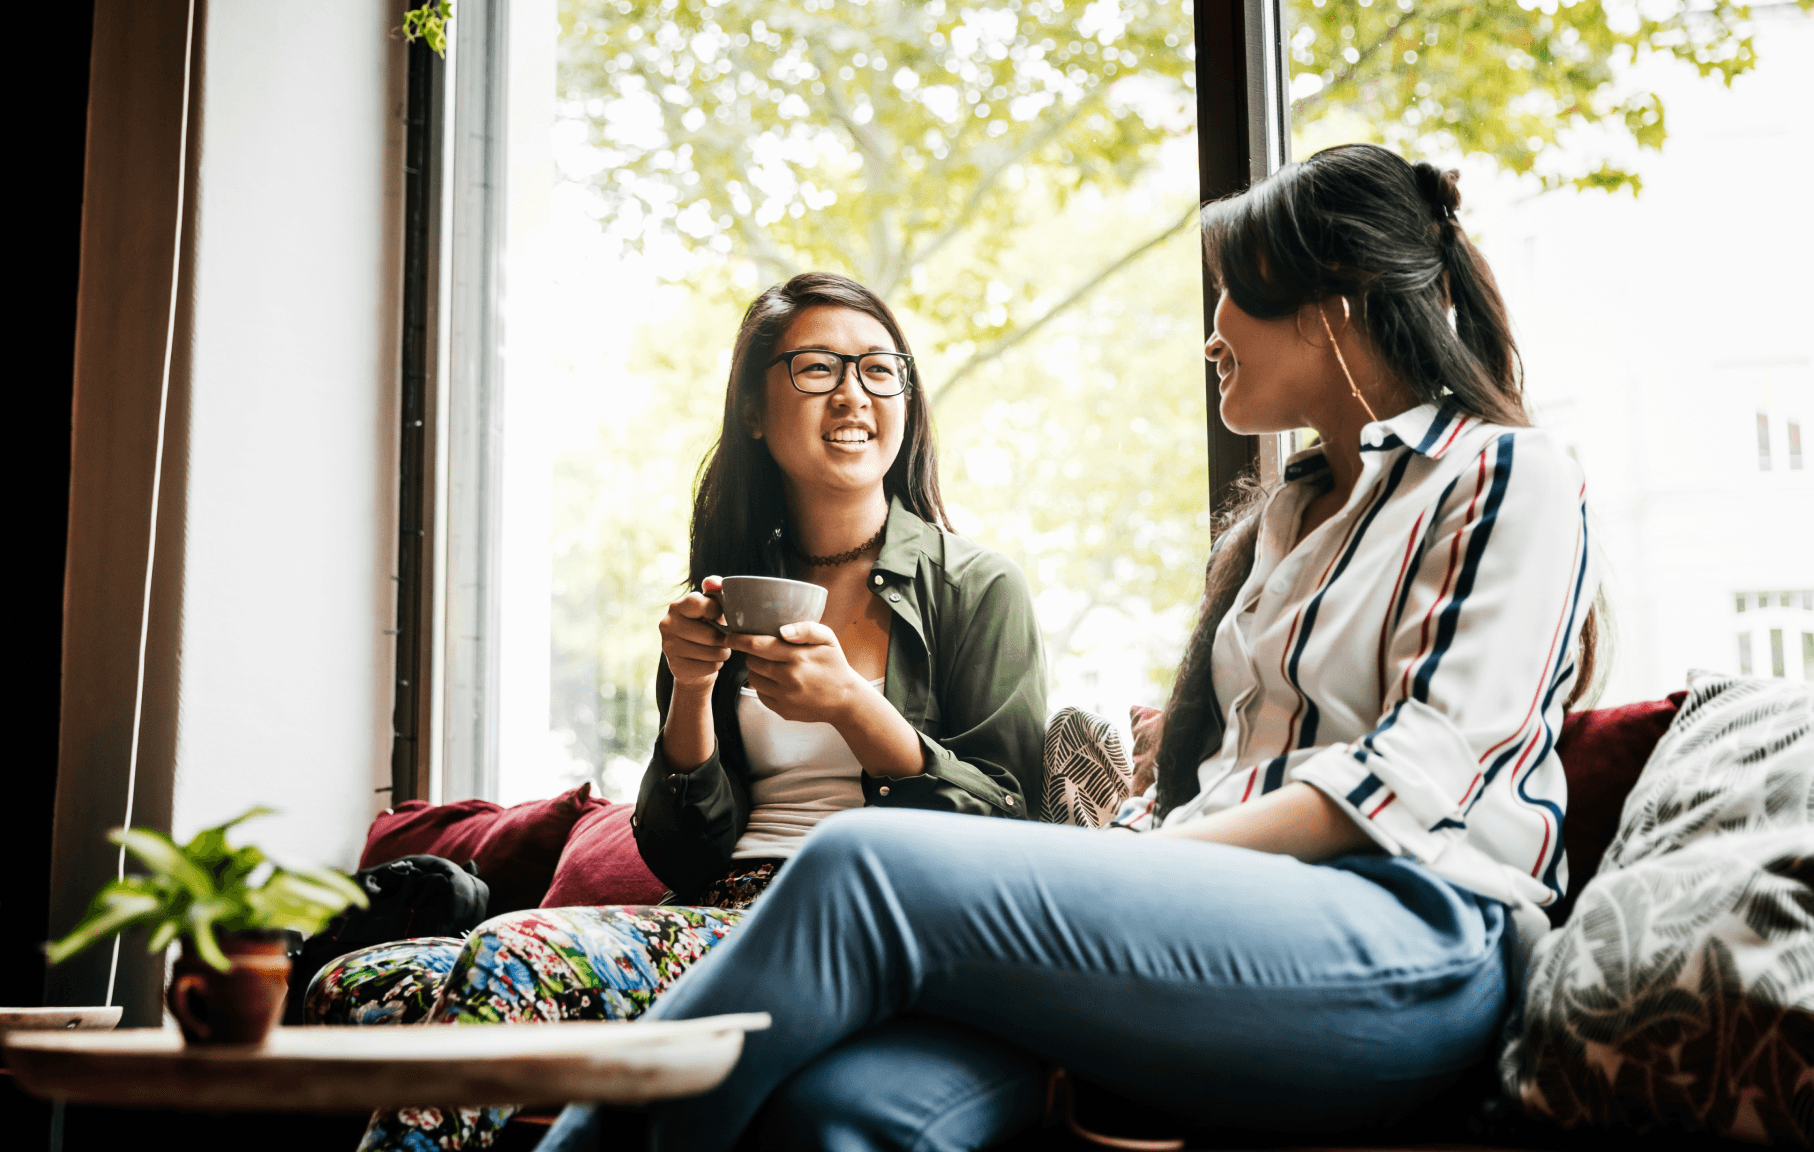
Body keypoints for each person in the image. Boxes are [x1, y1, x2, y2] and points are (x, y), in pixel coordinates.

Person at [537, 142, 1601, 1152]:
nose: (1212, 330)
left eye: (1232, 293)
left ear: (1334, 307)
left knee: (865, 863)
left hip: (1409, 946)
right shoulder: (1292, 519)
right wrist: (1130, 859)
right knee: (833, 1112)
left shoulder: (1507, 476)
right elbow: (1219, 786)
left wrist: (1116, 871)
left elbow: (1416, 778)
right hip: (1220, 933)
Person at [336, 271, 1049, 1151]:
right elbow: (681, 849)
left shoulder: (976, 587)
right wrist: (690, 692)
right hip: (715, 909)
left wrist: (856, 710)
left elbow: (1015, 820)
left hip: (850, 925)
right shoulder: (728, 594)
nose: (854, 395)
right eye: (818, 370)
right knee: (370, 982)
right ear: (754, 410)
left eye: (878, 369)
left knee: (520, 951)